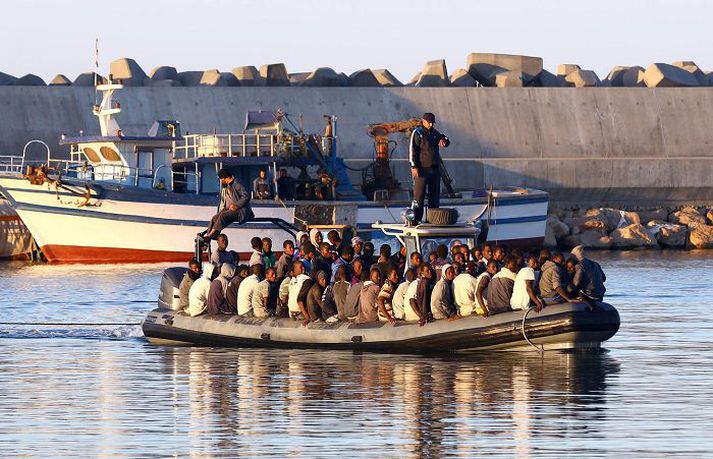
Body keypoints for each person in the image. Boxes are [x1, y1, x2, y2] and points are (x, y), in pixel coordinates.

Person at [408, 112, 450, 224]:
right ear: (424, 121)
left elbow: (444, 138)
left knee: (434, 195)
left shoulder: (434, 133)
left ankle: (433, 218)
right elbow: (413, 150)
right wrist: (413, 166)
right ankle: (416, 219)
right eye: (429, 122)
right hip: (422, 169)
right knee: (419, 196)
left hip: (434, 169)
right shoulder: (417, 133)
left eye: (432, 123)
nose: (431, 125)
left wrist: (444, 140)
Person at [199, 169, 254, 241]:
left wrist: (237, 205)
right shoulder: (228, 185)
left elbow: (247, 195)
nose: (221, 181)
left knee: (222, 216)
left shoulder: (237, 183)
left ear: (225, 178)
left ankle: (209, 236)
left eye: (221, 179)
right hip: (230, 209)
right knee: (214, 218)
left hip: (240, 211)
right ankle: (207, 239)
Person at [287, 260, 314, 325]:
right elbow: (300, 300)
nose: (303, 268)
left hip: (291, 313)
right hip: (300, 313)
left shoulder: (292, 281)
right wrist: (307, 317)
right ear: (294, 270)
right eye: (301, 267)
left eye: (303, 267)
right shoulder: (306, 280)